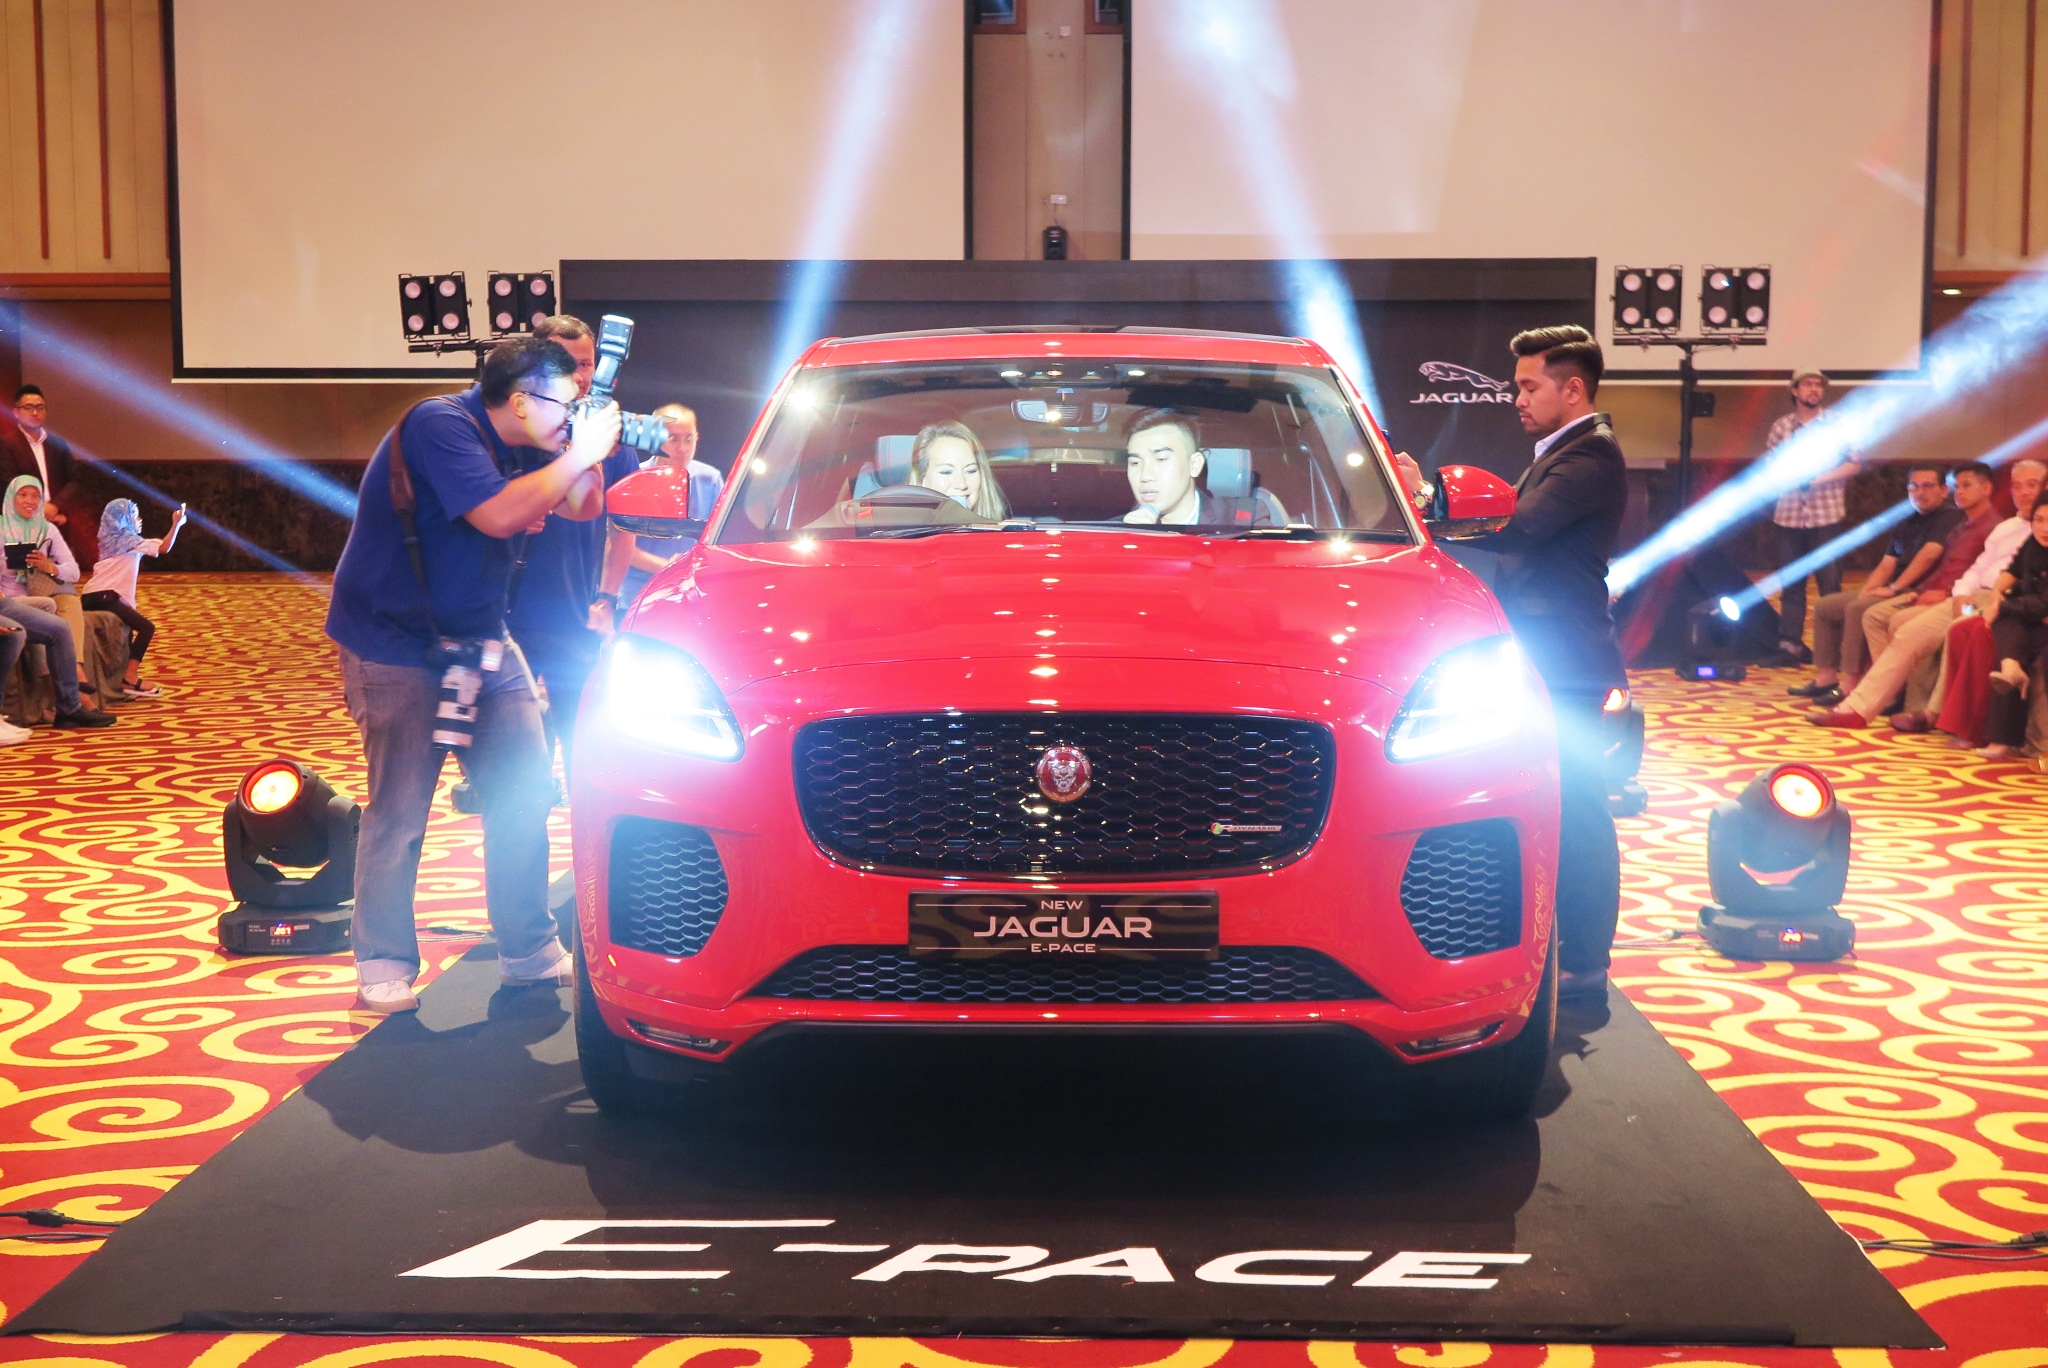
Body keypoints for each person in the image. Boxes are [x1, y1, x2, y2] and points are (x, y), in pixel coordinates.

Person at [324, 335, 621, 1014]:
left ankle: (527, 948)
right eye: (564, 399)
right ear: (520, 401)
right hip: (394, 643)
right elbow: (498, 514)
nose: (572, 410)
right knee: (402, 807)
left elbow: (584, 507)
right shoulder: (441, 424)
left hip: (483, 638)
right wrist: (577, 452)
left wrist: (584, 450)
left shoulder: (533, 441)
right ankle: (383, 962)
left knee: (523, 789)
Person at [1462, 325, 1626, 1002]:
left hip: (1568, 665)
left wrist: (1426, 503)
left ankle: (1585, 967)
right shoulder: (1565, 451)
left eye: (1530, 387)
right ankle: (1568, 956)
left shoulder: (1590, 454)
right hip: (1550, 659)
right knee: (1556, 807)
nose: (1518, 399)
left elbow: (1518, 526)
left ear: (1573, 389)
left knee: (1579, 811)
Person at [505, 315, 642, 779]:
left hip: (577, 617)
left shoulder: (612, 439)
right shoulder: (514, 434)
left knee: (585, 752)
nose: (580, 376)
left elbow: (623, 528)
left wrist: (607, 598)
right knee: (516, 765)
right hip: (510, 618)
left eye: (586, 364)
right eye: (566, 363)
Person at [1810, 461, 2000, 726]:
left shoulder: (1992, 526)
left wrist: (1936, 592)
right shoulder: (1964, 525)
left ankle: (1913, 706)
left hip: (1975, 601)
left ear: (1987, 488)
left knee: (1899, 620)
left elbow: (1991, 577)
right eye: (1957, 486)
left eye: (1966, 486)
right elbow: (1963, 571)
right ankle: (1878, 701)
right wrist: (1924, 591)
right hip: (1953, 595)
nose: (1959, 492)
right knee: (1879, 616)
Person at [1792, 464, 1959, 708]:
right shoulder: (1908, 521)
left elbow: (1929, 555)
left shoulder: (1950, 517)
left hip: (1918, 590)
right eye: (1914, 486)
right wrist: (1866, 591)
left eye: (1928, 486)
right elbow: (1887, 563)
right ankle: (1826, 677)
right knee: (1826, 606)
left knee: (1857, 609)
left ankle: (1850, 683)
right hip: (1896, 587)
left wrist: (1893, 588)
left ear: (1944, 490)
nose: (1920, 492)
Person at [592, 402, 723, 625]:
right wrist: (669, 567)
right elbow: (618, 543)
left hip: (688, 595)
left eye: (688, 439)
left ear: (697, 438)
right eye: (673, 439)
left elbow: (719, 537)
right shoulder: (635, 477)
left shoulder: (710, 479)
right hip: (636, 596)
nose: (682, 448)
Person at [1766, 368, 1860, 663]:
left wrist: (1817, 479)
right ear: (1794, 391)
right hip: (1789, 516)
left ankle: (1835, 649)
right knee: (1791, 586)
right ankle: (1790, 646)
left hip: (1826, 516)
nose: (1814, 389)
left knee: (1830, 586)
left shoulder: (1838, 424)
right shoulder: (1782, 427)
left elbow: (1855, 463)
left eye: (1819, 385)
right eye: (1808, 384)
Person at [82, 498, 186, 698]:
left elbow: (159, 544)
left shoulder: (116, 538)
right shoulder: (125, 539)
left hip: (95, 595)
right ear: (123, 519)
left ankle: (123, 678)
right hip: (104, 595)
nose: (139, 520)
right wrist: (176, 524)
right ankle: (129, 677)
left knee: (129, 628)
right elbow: (164, 547)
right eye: (135, 516)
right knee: (147, 628)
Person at [1977, 499, 2048, 759]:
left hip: (2040, 613)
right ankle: (2011, 669)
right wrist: (1996, 595)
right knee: (2010, 631)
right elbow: (2012, 570)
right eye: (2039, 520)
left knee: (2007, 620)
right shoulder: (2033, 543)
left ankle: (2011, 669)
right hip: (2035, 615)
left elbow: (2043, 604)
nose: (2044, 528)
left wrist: (2002, 606)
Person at [1121, 409, 1272, 527]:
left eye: (1161, 459)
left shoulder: (1241, 521)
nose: (1145, 476)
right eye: (1135, 463)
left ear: (1194, 465)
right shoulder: (1114, 532)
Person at [1, 385, 90, 571]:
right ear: (16, 412)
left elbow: (75, 481)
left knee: (61, 576)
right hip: (22, 527)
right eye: (28, 407)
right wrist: (40, 509)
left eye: (40, 407)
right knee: (23, 580)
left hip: (57, 523)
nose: (35, 412)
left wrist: (55, 507)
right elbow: (9, 483)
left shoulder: (57, 443)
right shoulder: (6, 444)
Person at [2, 474, 88, 660]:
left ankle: (76, 666)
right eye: (23, 494)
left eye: (36, 496)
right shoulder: (1, 529)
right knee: (48, 606)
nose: (30, 501)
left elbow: (74, 572)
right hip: (8, 599)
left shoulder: (47, 529)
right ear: (11, 497)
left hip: (38, 592)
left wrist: (48, 566)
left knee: (68, 599)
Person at [912, 420, 1009, 520]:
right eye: (947, 472)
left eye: (971, 471)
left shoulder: (1004, 529)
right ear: (921, 480)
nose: (961, 484)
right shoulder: (903, 530)